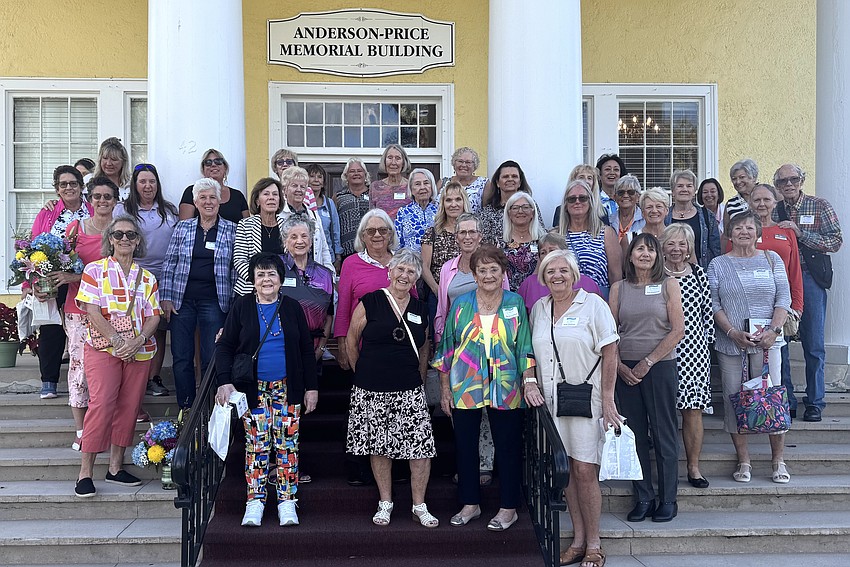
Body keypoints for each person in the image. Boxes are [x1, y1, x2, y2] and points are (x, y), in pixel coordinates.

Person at [433, 246, 540, 532]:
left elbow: (524, 346)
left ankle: (508, 508)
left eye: (494, 269)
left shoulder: (515, 303)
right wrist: (444, 389)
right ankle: (470, 503)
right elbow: (447, 349)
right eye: (483, 270)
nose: (489, 275)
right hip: (465, 384)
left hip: (506, 385)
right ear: (475, 274)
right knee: (465, 446)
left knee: (508, 447)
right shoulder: (461, 304)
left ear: (503, 273)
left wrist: (529, 380)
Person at [529, 249, 621, 567]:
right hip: (551, 404)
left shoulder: (593, 304)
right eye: (551, 271)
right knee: (565, 471)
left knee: (584, 470)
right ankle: (578, 539)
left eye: (563, 270)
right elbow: (529, 351)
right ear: (543, 277)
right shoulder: (540, 308)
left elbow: (611, 353)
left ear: (574, 274)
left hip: (587, 400)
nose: (557, 276)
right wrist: (529, 381)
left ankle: (594, 544)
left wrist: (608, 399)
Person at [215, 253, 318, 527]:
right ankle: (255, 502)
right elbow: (225, 346)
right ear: (253, 280)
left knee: (287, 446)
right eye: (260, 274)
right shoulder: (242, 306)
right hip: (253, 390)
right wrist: (224, 381)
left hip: (287, 387)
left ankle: (286, 501)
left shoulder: (293, 307)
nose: (266, 279)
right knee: (257, 446)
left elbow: (306, 349)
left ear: (281, 279)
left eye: (271, 274)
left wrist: (312, 388)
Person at [345, 249, 438, 528]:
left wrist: (420, 381)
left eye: (410, 272)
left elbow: (424, 349)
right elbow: (351, 339)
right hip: (371, 388)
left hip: (409, 388)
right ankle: (385, 502)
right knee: (379, 446)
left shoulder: (421, 309)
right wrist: (361, 372)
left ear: (416, 279)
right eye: (400, 269)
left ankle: (419, 505)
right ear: (390, 271)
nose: (404, 275)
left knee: (420, 448)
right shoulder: (371, 301)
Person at [74, 215, 162, 497]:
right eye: (119, 234)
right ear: (109, 238)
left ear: (138, 242)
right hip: (103, 348)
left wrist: (137, 341)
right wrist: (116, 340)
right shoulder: (94, 270)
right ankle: (85, 472)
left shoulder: (147, 277)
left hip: (139, 350)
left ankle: (114, 468)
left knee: (129, 406)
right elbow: (91, 310)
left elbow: (154, 316)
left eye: (131, 235)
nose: (125, 239)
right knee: (101, 404)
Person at [707, 211, 791, 483]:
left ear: (758, 233)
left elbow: (783, 297)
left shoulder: (772, 258)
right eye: (738, 228)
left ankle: (778, 460)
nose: (744, 231)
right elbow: (714, 303)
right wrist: (731, 332)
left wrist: (774, 330)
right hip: (732, 343)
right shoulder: (718, 264)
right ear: (729, 234)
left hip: (768, 342)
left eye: (749, 227)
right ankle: (744, 461)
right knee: (734, 401)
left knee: (774, 398)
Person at [610, 233, 685, 523]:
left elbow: (677, 330)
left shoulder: (669, 285)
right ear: (630, 256)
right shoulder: (618, 288)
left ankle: (668, 498)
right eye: (639, 249)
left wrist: (648, 362)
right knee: (635, 435)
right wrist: (618, 366)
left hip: (659, 366)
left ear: (658, 257)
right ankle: (643, 496)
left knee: (664, 433)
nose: (645, 254)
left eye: (650, 250)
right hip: (625, 369)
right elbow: (610, 331)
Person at [433, 214, 508, 487]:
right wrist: (442, 342)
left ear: (480, 235)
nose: (467, 236)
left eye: (472, 232)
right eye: (462, 232)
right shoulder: (447, 269)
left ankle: (485, 465)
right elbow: (443, 309)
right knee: (462, 408)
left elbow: (505, 305)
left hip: (491, 350)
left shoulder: (492, 264)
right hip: (458, 350)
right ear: (456, 238)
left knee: (488, 409)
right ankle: (468, 465)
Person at [774, 163, 843, 422]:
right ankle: (787, 399)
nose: (789, 184)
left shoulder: (819, 206)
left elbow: (835, 240)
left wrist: (801, 235)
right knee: (780, 342)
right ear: (778, 186)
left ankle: (815, 402)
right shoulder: (775, 208)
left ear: (802, 180)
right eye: (783, 181)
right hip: (782, 281)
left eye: (793, 179)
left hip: (810, 278)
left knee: (813, 343)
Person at [160, 179, 237, 410]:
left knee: (210, 356)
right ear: (195, 202)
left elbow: (235, 268)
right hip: (181, 301)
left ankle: (209, 407)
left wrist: (234, 302)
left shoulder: (232, 229)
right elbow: (169, 264)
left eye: (212, 197)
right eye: (202, 197)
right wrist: (165, 297)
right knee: (182, 357)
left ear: (220, 201)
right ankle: (186, 406)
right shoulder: (182, 228)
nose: (208, 202)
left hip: (215, 300)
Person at [28, 165, 93, 399]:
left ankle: (88, 382)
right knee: (52, 328)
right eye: (63, 184)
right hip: (54, 278)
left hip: (86, 278)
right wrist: (32, 283)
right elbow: (34, 248)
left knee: (87, 329)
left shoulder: (93, 211)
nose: (68, 187)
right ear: (57, 189)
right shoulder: (47, 213)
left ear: (81, 186)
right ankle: (49, 381)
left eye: (73, 183)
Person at [114, 163, 179, 397]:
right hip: (131, 275)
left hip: (163, 276)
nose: (148, 186)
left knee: (157, 327)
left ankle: (153, 377)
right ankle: (130, 380)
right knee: (131, 324)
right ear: (135, 184)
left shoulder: (169, 210)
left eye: (152, 181)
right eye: (143, 181)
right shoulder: (123, 210)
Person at [63, 177, 118, 451]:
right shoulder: (76, 228)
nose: (102, 201)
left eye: (108, 196)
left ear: (115, 200)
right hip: (79, 309)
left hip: (114, 311)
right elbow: (61, 265)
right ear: (90, 199)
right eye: (97, 196)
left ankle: (106, 424)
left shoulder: (122, 230)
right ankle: (81, 429)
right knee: (79, 369)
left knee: (111, 368)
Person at [660, 224, 713, 488]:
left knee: (693, 411)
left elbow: (707, 313)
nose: (677, 249)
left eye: (682, 244)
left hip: (694, 351)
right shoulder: (655, 275)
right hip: (661, 351)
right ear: (663, 246)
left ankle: (693, 467)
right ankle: (664, 467)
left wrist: (707, 346)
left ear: (690, 246)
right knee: (663, 412)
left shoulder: (699, 274)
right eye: (671, 243)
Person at [749, 183, 804, 417]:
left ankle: (782, 406)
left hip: (780, 307)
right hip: (749, 309)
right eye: (757, 200)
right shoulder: (742, 230)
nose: (762, 204)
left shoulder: (786, 231)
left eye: (766, 200)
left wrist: (797, 306)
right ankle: (753, 409)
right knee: (753, 361)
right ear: (750, 203)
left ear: (775, 202)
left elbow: (795, 272)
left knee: (780, 360)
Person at [334, 209, 407, 372]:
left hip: (400, 345)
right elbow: (343, 307)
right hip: (363, 346)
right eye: (371, 231)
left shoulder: (402, 261)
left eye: (382, 230)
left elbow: (413, 300)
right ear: (363, 236)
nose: (377, 235)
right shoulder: (351, 264)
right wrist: (342, 345)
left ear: (390, 234)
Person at [421, 181, 470, 335]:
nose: (453, 204)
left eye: (458, 199)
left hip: (469, 294)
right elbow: (424, 266)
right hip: (439, 296)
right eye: (448, 200)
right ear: (443, 204)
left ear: (464, 202)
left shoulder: (473, 230)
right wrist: (438, 290)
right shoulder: (433, 232)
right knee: (440, 338)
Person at [558, 179, 622, 298]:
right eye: (572, 199)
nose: (577, 202)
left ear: (590, 202)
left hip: (598, 300)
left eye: (582, 198)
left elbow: (615, 276)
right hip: (564, 301)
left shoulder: (606, 233)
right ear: (565, 205)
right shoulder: (556, 235)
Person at [517, 233, 601, 312]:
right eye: (543, 252)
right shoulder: (529, 284)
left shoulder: (587, 283)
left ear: (564, 252)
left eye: (552, 250)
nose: (548, 255)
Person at [233, 178, 288, 296]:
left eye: (275, 194)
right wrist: (259, 281)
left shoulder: (287, 226)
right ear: (258, 200)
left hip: (282, 289)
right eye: (266, 194)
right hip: (250, 289)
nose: (271, 198)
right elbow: (239, 260)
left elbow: (292, 260)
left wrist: (276, 281)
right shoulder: (245, 225)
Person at [279, 167, 335, 274]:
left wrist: (329, 274)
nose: (299, 190)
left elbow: (324, 248)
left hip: (314, 275)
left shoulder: (313, 214)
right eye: (294, 186)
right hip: (288, 275)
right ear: (285, 189)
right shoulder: (279, 214)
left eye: (303, 187)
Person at [479, 160, 544, 247]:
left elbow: (540, 230)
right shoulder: (488, 211)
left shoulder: (530, 205)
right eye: (505, 176)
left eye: (514, 176)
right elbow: (484, 241)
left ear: (520, 182)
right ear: (497, 183)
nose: (510, 179)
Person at [666, 169, 721, 270]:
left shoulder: (707, 216)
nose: (684, 189)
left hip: (701, 272)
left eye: (689, 186)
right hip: (670, 272)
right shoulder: (665, 216)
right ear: (673, 191)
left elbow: (715, 250)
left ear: (694, 191)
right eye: (680, 186)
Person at [179, 149, 249, 223]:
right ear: (203, 169)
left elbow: (246, 226)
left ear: (225, 168)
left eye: (218, 161)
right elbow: (184, 227)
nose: (213, 165)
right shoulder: (191, 192)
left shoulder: (238, 195)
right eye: (208, 163)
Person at [502, 192, 547, 291]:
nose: (520, 211)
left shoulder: (544, 240)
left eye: (525, 207)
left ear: (533, 212)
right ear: (509, 213)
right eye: (515, 208)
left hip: (538, 295)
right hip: (510, 297)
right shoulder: (500, 241)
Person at [308, 163, 342, 272]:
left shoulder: (329, 203)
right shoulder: (303, 203)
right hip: (307, 255)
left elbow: (335, 231)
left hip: (327, 257)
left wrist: (338, 257)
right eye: (312, 176)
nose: (316, 180)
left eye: (319, 177)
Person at [335, 157, 372, 259]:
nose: (356, 174)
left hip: (371, 249)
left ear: (365, 175)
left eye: (359, 171)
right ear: (346, 176)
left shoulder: (374, 194)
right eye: (352, 171)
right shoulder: (338, 197)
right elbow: (334, 225)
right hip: (346, 251)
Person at [395, 168, 438, 253]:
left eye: (426, 183)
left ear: (432, 187)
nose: (422, 187)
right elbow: (397, 244)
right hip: (410, 262)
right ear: (411, 189)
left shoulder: (440, 211)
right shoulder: (403, 212)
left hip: (437, 263)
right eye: (417, 184)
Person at [436, 147, 488, 213]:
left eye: (468, 162)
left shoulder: (483, 184)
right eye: (460, 161)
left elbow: (487, 212)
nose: (463, 165)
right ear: (454, 164)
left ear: (475, 166)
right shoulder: (442, 182)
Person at [370, 143, 411, 220]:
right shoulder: (375, 187)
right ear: (384, 161)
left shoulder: (411, 186)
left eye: (398, 158)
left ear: (403, 163)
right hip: (383, 231)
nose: (393, 162)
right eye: (390, 158)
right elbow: (371, 216)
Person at [723, 159, 759, 241]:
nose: (738, 182)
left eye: (742, 177)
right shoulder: (731, 204)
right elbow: (726, 234)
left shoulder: (768, 196)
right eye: (734, 179)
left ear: (753, 177)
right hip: (738, 249)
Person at [609, 174, 645, 242]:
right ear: (614, 197)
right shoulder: (608, 220)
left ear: (638, 197)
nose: (625, 196)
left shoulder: (645, 219)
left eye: (631, 192)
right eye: (621, 192)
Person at [596, 153, 628, 221]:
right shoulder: (594, 200)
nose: (612, 173)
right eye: (607, 169)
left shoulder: (627, 199)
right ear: (600, 174)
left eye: (616, 170)